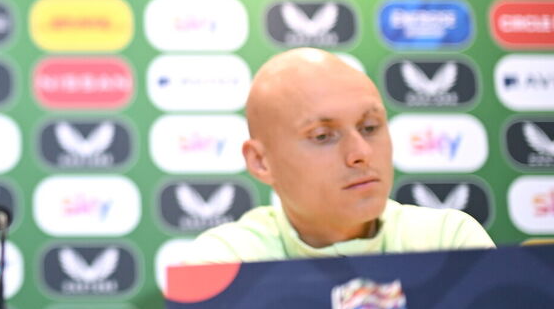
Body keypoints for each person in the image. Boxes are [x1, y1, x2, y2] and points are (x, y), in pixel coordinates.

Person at [184, 47, 494, 263]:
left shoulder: (448, 241)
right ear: (261, 162)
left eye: (370, 127)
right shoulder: (226, 262)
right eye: (322, 136)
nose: (360, 153)